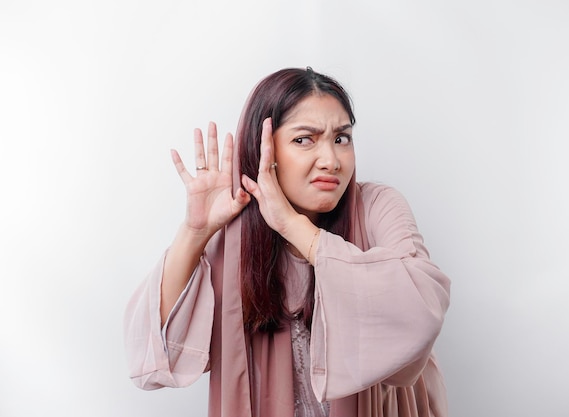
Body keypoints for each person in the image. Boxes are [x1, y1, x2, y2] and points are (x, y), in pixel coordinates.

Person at [124, 67, 451, 417]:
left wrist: (293, 226)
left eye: (341, 138)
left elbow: (422, 309)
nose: (331, 160)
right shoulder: (236, 235)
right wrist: (196, 232)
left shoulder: (377, 206)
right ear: (265, 149)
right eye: (304, 139)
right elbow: (152, 359)